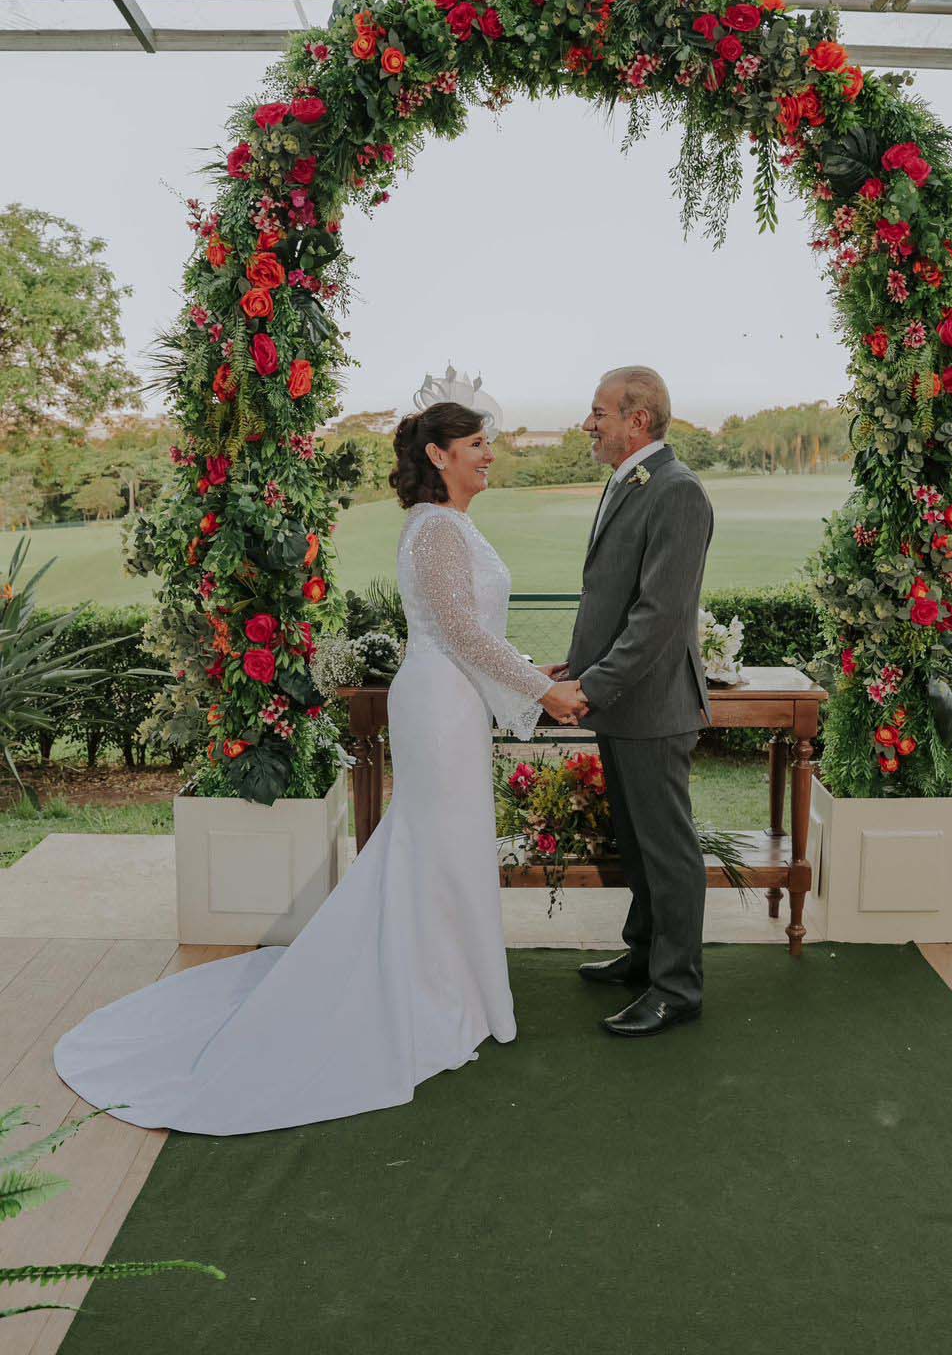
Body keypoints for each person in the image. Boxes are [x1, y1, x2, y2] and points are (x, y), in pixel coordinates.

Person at [52, 403, 587, 1135]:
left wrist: (529, 666)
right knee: (436, 846)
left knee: (447, 848)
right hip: (437, 705)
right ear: (438, 456)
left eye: (485, 443)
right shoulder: (433, 528)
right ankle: (428, 993)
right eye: (475, 444)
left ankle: (452, 985)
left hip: (456, 703)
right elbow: (457, 632)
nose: (488, 454)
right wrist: (542, 690)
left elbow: (471, 629)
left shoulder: (453, 527)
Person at [546, 367, 714, 1039]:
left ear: (637, 420)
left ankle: (677, 988)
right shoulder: (635, 481)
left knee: (668, 851)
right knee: (640, 847)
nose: (589, 424)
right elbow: (610, 596)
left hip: (652, 708)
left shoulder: (678, 492)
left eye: (599, 413)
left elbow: (659, 619)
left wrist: (589, 688)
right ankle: (645, 956)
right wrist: (577, 667)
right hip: (623, 703)